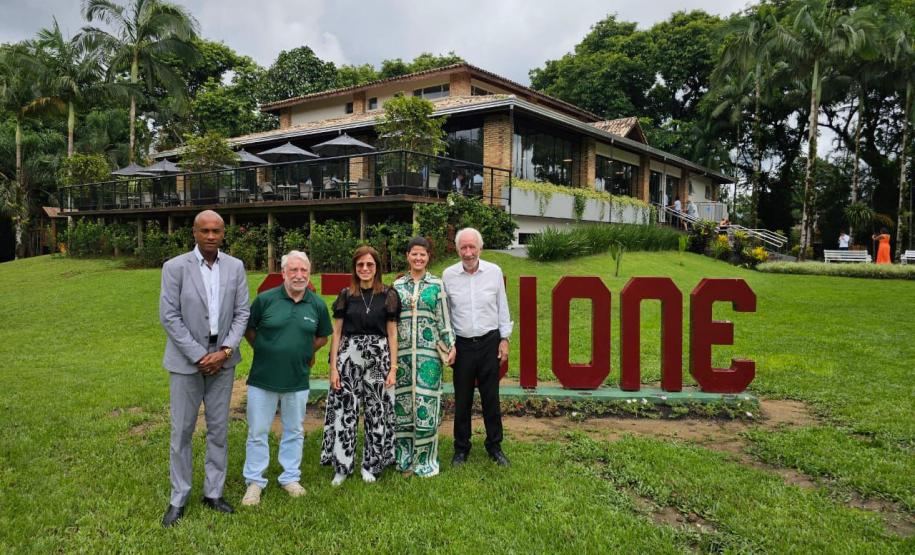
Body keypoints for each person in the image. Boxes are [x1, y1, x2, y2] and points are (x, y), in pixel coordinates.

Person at [158, 210, 250, 528]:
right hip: (187, 362)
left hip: (223, 360)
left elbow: (242, 313)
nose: (211, 236)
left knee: (219, 430)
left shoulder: (235, 267)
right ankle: (178, 497)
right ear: (194, 232)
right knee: (182, 432)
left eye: (217, 231)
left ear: (224, 233)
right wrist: (200, 356)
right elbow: (169, 316)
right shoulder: (174, 268)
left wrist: (224, 351)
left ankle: (213, 493)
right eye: (205, 230)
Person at [240, 250, 331, 506]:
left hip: (297, 380)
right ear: (283, 273)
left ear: (309, 273)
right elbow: (249, 329)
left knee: (294, 430)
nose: (299, 275)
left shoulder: (316, 305)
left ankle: (290, 477)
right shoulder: (265, 300)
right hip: (263, 379)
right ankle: (255, 481)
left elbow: (323, 336)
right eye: (294, 270)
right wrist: (267, 349)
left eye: (304, 270)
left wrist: (303, 351)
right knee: (257, 432)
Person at [321, 246, 401, 485]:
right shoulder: (346, 295)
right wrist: (333, 367)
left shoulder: (388, 295)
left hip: (378, 357)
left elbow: (392, 334)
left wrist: (393, 367)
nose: (365, 269)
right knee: (346, 410)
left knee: (377, 410)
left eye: (370, 265)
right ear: (355, 269)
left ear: (377, 268)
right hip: (348, 358)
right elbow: (336, 333)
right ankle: (342, 466)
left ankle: (371, 464)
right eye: (360, 265)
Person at [443, 227, 513, 467]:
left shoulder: (494, 272)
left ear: (480, 248)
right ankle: (461, 448)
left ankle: (494, 446)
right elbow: (446, 314)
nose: (468, 252)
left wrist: (505, 339)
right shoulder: (448, 275)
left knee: (490, 398)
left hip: (489, 343)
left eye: (472, 247)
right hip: (461, 345)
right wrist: (449, 345)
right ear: (457, 249)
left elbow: (502, 307)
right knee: (462, 399)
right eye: (463, 247)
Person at [392, 237, 456, 478]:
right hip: (402, 357)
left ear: (429, 257)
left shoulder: (437, 285)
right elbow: (391, 321)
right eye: (414, 254)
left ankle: (425, 460)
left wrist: (450, 347)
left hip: (429, 357)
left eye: (423, 255)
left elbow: (444, 320)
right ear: (407, 255)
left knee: (426, 408)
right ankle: (403, 459)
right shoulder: (397, 286)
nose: (418, 258)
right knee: (404, 407)